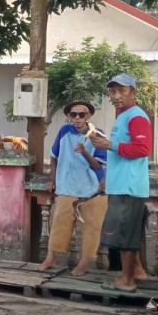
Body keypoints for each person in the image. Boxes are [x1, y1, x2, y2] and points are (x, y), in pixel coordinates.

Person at [89, 73, 152, 293]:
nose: (116, 96)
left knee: (124, 235)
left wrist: (109, 145)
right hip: (120, 184)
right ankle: (136, 272)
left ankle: (127, 281)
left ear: (133, 93)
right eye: (112, 92)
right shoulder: (123, 116)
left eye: (121, 91)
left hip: (129, 186)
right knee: (124, 232)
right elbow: (118, 152)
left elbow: (143, 149)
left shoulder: (136, 117)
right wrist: (107, 177)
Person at [38, 100, 109, 276]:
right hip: (67, 184)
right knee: (59, 222)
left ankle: (84, 262)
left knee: (92, 226)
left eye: (81, 115)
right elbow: (53, 156)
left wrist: (84, 152)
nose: (77, 118)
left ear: (88, 116)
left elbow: (98, 165)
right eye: (73, 114)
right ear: (69, 117)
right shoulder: (64, 131)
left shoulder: (97, 134)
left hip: (94, 188)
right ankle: (50, 258)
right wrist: (54, 179)